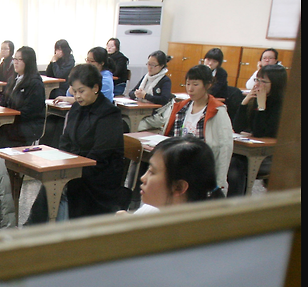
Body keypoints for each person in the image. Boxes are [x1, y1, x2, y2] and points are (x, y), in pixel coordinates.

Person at [27, 64, 125, 224]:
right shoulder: (76, 109)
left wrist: (73, 170)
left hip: (98, 176)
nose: (77, 96)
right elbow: (65, 141)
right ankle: (36, 229)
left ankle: (56, 233)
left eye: (81, 91)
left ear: (95, 88)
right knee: (51, 182)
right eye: (74, 91)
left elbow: (101, 154)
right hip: (75, 168)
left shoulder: (109, 114)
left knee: (63, 186)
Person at [162, 64, 233, 195]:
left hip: (200, 165)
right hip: (179, 160)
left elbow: (225, 147)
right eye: (188, 84)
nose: (190, 89)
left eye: (195, 85)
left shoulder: (217, 111)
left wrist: (220, 181)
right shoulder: (182, 107)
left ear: (207, 85)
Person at [123, 135, 225, 215]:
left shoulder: (194, 234)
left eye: (152, 172)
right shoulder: (151, 209)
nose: (143, 178)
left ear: (178, 187)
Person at [228, 64, 287, 196]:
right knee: (228, 158)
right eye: (257, 80)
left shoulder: (282, 104)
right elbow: (237, 128)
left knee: (235, 163)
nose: (258, 85)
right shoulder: (256, 98)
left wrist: (261, 106)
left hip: (269, 155)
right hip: (249, 150)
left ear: (276, 83)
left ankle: (235, 202)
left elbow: (261, 133)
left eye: (263, 81)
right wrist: (245, 102)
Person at [0, 46, 46, 148]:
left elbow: (31, 111)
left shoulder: (35, 83)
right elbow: (4, 102)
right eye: (15, 59)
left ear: (28, 62)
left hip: (27, 125)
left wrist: (11, 116)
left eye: (19, 59)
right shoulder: (13, 80)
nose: (15, 62)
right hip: (13, 121)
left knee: (2, 132)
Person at [129, 50, 173, 131]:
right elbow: (131, 93)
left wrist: (145, 96)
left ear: (161, 66)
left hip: (155, 115)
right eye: (148, 64)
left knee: (133, 127)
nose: (150, 67)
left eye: (153, 65)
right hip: (140, 111)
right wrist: (136, 94)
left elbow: (164, 100)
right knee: (124, 121)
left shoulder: (165, 80)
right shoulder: (146, 77)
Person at [0, 40, 16, 105]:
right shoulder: (3, 63)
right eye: (2, 49)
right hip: (3, 89)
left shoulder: (13, 63)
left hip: (9, 91)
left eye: (6, 49)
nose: (3, 51)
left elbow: (10, 80)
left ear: (11, 51)